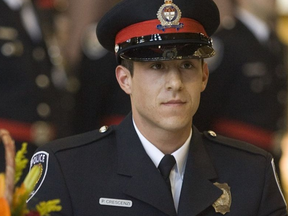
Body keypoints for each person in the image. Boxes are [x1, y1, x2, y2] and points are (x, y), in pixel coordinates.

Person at [26, 0, 287, 215]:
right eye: (157, 66)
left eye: (187, 65)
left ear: (204, 77)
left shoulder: (253, 172)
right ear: (124, 79)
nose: (175, 83)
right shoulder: (69, 169)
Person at [193, 0, 287, 158]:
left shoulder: (275, 43)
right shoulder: (225, 42)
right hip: (234, 155)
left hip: (269, 153)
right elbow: (203, 110)